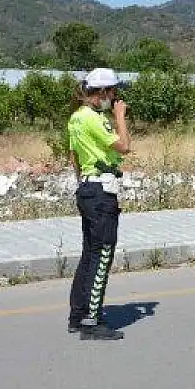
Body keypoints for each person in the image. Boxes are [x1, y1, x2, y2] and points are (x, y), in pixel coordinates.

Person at [66, 67, 131, 341]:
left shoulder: (75, 118)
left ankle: (78, 314)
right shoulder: (96, 119)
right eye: (113, 92)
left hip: (87, 188)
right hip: (101, 190)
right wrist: (119, 117)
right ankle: (92, 320)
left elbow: (74, 158)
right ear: (102, 92)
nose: (115, 97)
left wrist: (83, 184)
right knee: (103, 254)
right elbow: (124, 146)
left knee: (89, 253)